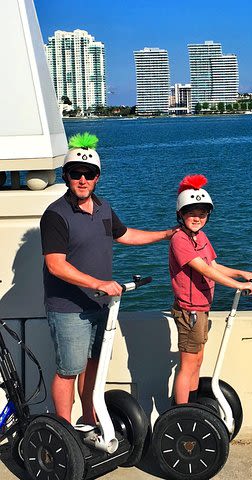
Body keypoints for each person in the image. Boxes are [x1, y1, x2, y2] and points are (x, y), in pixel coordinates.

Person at [41, 132, 177, 425]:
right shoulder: (55, 214)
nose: (82, 179)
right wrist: (99, 284)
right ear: (65, 176)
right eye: (76, 173)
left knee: (93, 368)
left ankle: (89, 422)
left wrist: (165, 235)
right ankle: (63, 432)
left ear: (97, 178)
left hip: (101, 307)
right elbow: (55, 265)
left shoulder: (103, 208)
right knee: (68, 370)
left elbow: (125, 235)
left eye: (88, 174)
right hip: (69, 310)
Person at [170, 174, 252, 404]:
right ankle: (181, 411)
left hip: (201, 309)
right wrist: (238, 285)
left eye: (202, 214)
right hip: (189, 311)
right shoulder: (180, 240)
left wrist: (241, 273)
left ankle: (192, 404)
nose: (197, 218)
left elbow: (214, 265)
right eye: (191, 213)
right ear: (181, 214)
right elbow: (204, 270)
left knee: (197, 361)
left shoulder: (201, 238)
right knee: (188, 364)